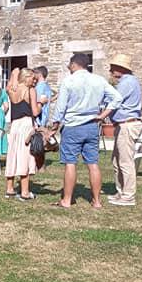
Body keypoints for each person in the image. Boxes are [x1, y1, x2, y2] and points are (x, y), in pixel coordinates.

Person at [47, 53, 122, 208]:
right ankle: (97, 201)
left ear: (74, 64)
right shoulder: (99, 80)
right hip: (92, 125)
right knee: (93, 163)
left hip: (73, 126)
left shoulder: (69, 81)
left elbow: (60, 107)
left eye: (69, 65)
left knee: (70, 163)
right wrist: (102, 115)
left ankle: (67, 200)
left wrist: (54, 127)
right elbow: (117, 98)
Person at [106, 54, 142, 207]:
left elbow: (115, 99)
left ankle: (128, 195)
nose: (110, 70)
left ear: (121, 69)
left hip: (127, 125)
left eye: (113, 68)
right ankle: (121, 191)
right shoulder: (127, 81)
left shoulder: (127, 82)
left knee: (125, 161)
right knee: (116, 160)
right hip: (122, 125)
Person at [3, 67, 40, 199]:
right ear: (26, 77)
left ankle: (10, 188)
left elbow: (14, 71)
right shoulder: (31, 91)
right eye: (32, 78)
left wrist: (14, 77)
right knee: (25, 156)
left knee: (12, 155)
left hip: (14, 125)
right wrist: (41, 103)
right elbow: (35, 112)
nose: (34, 80)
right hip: (25, 124)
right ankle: (24, 192)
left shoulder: (12, 89)